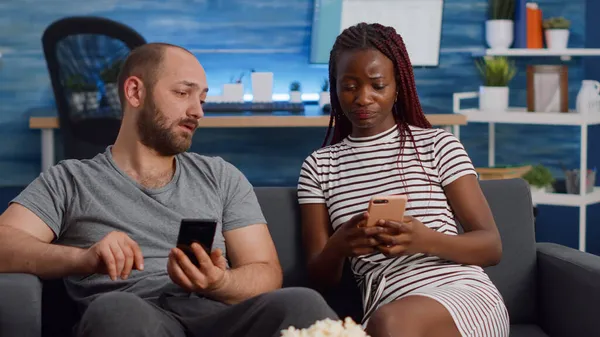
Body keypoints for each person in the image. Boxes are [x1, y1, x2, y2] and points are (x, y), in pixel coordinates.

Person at [0, 42, 337, 337]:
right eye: (182, 93)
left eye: (202, 98)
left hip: (217, 315)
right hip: (134, 316)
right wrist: (83, 258)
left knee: (302, 301)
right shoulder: (69, 180)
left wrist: (219, 283)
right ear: (135, 92)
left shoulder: (221, 176)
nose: (198, 111)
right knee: (117, 309)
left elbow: (265, 271)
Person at [298, 23, 510, 337]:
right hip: (386, 310)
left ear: (398, 86)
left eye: (377, 85)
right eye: (349, 86)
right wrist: (338, 246)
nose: (362, 98)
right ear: (335, 87)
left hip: (461, 296)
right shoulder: (318, 167)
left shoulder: (438, 146)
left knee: (391, 323)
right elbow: (319, 276)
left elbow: (491, 247)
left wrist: (424, 240)